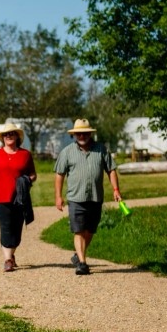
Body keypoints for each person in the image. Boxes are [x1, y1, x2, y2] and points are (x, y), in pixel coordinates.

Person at [54, 118, 122, 275]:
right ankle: (82, 263)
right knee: (78, 230)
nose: (81, 136)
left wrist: (116, 189)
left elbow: (111, 169)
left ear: (89, 134)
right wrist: (58, 196)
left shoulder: (101, 150)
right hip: (75, 198)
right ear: (74, 135)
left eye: (84, 133)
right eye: (78, 134)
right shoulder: (67, 152)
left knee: (90, 230)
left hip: (95, 197)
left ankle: (78, 255)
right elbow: (59, 175)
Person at [0, 122, 37, 272]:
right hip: (0, 197)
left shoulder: (25, 155)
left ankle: (11, 253)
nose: (9, 136)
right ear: (2, 138)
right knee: (6, 227)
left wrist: (28, 180)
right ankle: (8, 259)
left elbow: (33, 174)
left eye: (11, 134)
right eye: (6, 134)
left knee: (16, 229)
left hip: (19, 198)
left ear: (17, 136)